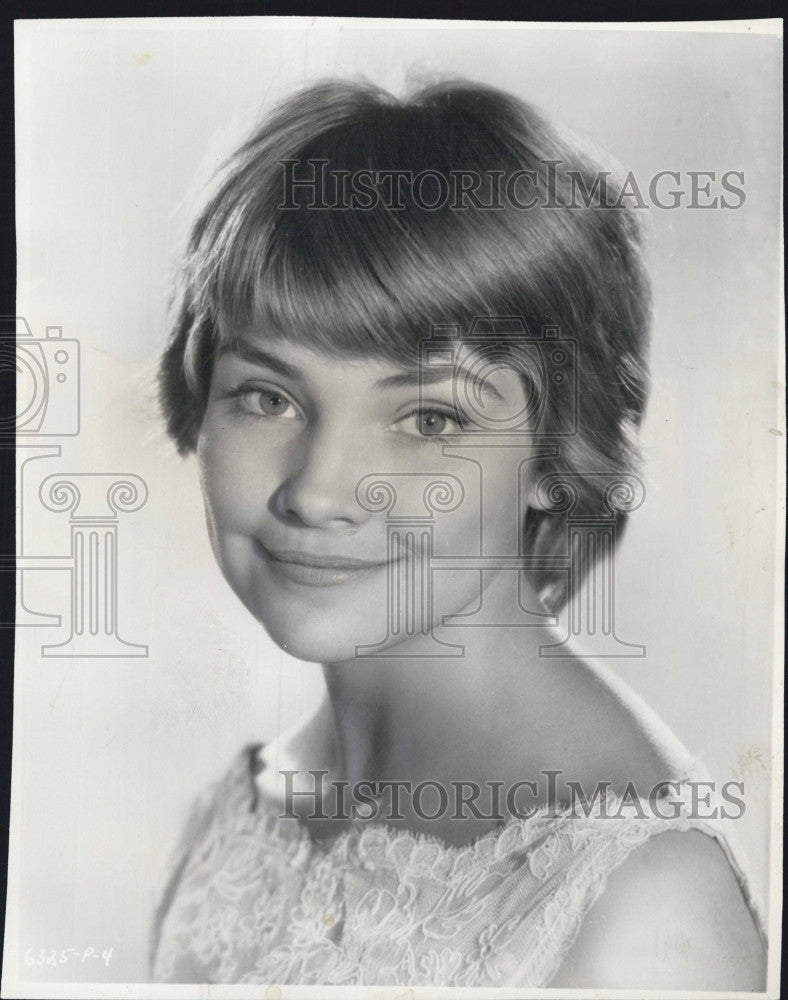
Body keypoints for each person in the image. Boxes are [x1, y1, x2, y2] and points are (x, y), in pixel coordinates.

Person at [150, 78, 766, 989]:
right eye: (268, 396)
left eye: (430, 420)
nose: (319, 494)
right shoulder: (233, 811)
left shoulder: (642, 897)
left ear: (560, 453)